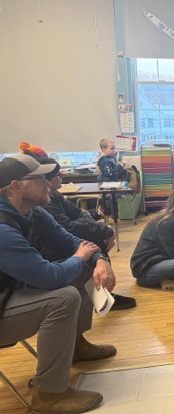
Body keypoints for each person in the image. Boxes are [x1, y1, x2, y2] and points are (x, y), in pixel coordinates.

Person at [0, 154, 117, 413]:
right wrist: (81, 256)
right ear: (16, 186)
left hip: (11, 294)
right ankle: (49, 395)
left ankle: (75, 346)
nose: (49, 184)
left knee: (84, 269)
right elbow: (49, 277)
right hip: (4, 304)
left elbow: (72, 242)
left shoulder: (33, 212)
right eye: (40, 179)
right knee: (63, 298)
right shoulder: (3, 229)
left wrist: (99, 261)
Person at [37, 156, 137, 310]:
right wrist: (106, 230)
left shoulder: (55, 195)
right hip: (51, 248)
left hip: (64, 239)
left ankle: (102, 295)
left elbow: (79, 214)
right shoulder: (45, 202)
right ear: (47, 179)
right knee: (95, 244)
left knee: (97, 240)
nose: (61, 177)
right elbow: (70, 228)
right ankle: (100, 297)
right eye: (58, 175)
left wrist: (104, 231)